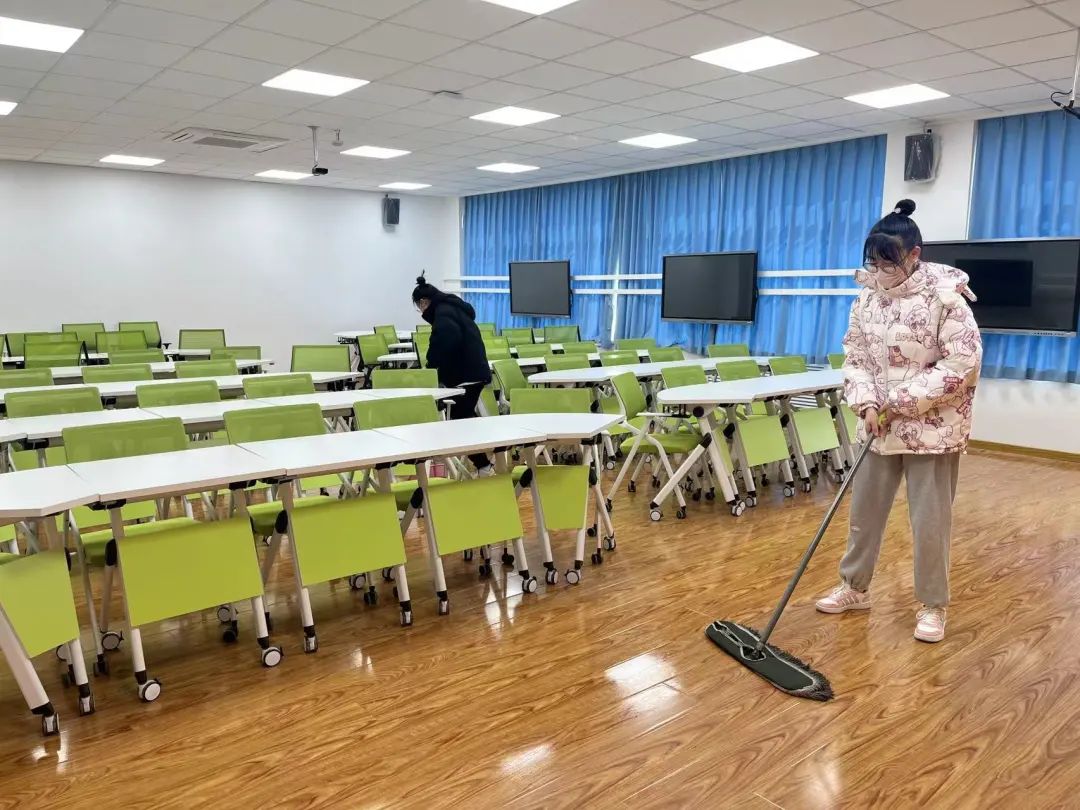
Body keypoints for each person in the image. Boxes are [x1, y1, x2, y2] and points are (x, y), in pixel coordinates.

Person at [815, 199, 983, 643]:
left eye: (889, 263)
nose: (880, 271)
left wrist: (899, 401)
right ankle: (855, 588)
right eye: (873, 262)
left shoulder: (946, 299)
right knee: (863, 515)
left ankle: (932, 606)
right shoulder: (866, 299)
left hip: (933, 431)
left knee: (930, 523)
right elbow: (855, 358)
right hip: (878, 426)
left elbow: (962, 363)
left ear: (914, 255)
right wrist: (868, 403)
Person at [411, 275, 495, 476]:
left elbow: (444, 343)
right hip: (475, 371)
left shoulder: (443, 314)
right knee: (465, 417)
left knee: (459, 420)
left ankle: (484, 465)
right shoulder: (455, 308)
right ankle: (487, 460)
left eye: (419, 307)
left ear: (423, 302)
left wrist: (432, 364)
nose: (421, 312)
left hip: (464, 374)